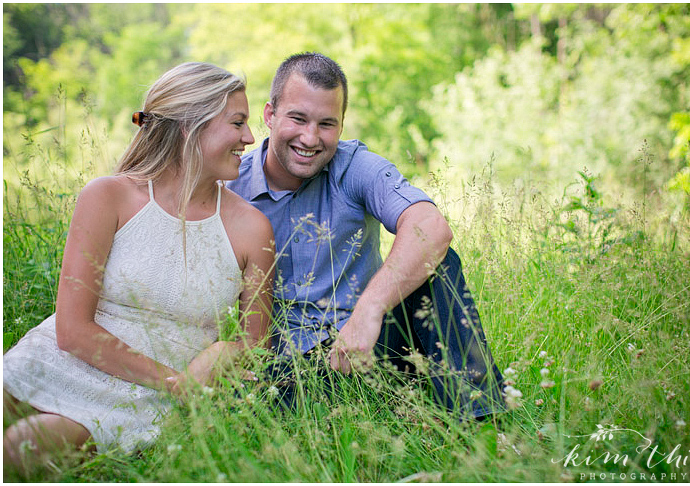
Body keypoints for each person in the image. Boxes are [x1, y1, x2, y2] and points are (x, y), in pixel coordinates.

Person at [3, 62, 275, 475]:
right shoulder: (108, 196)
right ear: (190, 128)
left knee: (24, 447)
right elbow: (72, 329)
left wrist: (224, 351)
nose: (250, 138)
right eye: (237, 123)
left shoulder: (251, 227)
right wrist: (176, 382)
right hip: (64, 361)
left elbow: (257, 348)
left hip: (145, 399)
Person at [228, 52, 504, 420]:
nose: (310, 138)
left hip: (372, 346)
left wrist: (368, 311)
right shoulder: (229, 184)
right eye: (298, 118)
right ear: (269, 115)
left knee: (437, 261)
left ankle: (482, 420)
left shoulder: (354, 166)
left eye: (326, 123)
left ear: (341, 127)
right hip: (288, 369)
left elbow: (431, 227)